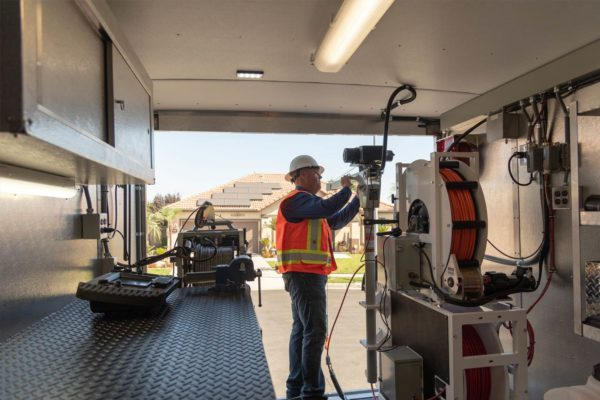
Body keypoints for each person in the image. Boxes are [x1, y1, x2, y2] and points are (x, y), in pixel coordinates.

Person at [276, 155, 360, 400]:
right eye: (317, 173)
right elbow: (328, 207)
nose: (321, 178)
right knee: (315, 331)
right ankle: (312, 392)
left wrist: (356, 200)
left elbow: (335, 219)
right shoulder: (297, 201)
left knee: (302, 331)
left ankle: (296, 389)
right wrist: (345, 188)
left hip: (307, 275)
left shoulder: (310, 205)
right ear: (300, 175)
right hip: (304, 275)